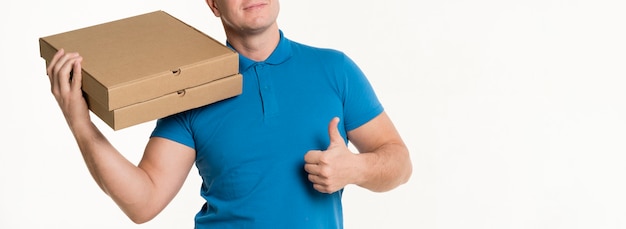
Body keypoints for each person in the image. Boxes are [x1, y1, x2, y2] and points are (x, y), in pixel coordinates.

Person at [45, 0, 412, 228]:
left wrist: (356, 168)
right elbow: (144, 202)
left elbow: (399, 162)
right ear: (213, 4)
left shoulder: (335, 70)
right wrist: (80, 123)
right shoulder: (191, 90)